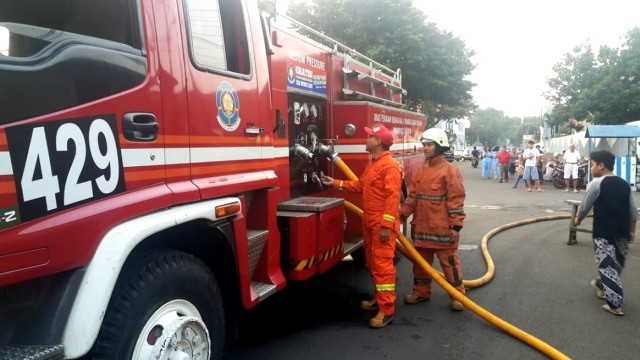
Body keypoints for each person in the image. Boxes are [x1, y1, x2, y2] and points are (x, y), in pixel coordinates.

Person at [321, 125, 402, 328]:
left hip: (380, 226)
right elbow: (360, 186)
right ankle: (379, 299)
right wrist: (335, 183)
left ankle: (386, 310)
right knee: (373, 264)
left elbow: (393, 199)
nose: (366, 138)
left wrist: (386, 226)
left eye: (370, 136)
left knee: (383, 267)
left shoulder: (389, 166)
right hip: (371, 223)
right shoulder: (374, 164)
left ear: (378, 142)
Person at [399, 128, 466, 312]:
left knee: (449, 264)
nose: (425, 148)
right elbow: (412, 198)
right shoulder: (421, 171)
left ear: (439, 147)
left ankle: (457, 295)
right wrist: (401, 215)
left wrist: (456, 226)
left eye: (429, 145)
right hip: (421, 229)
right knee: (420, 265)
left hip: (443, 230)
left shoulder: (450, 171)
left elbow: (456, 200)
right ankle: (421, 292)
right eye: (424, 144)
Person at [574, 150, 637, 316]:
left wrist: (578, 220)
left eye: (592, 164)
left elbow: (585, 206)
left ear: (601, 166)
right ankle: (602, 286)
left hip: (603, 232)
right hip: (622, 231)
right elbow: (632, 210)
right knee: (615, 265)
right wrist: (632, 231)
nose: (591, 168)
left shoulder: (597, 183)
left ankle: (615, 305)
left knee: (608, 267)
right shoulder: (624, 183)